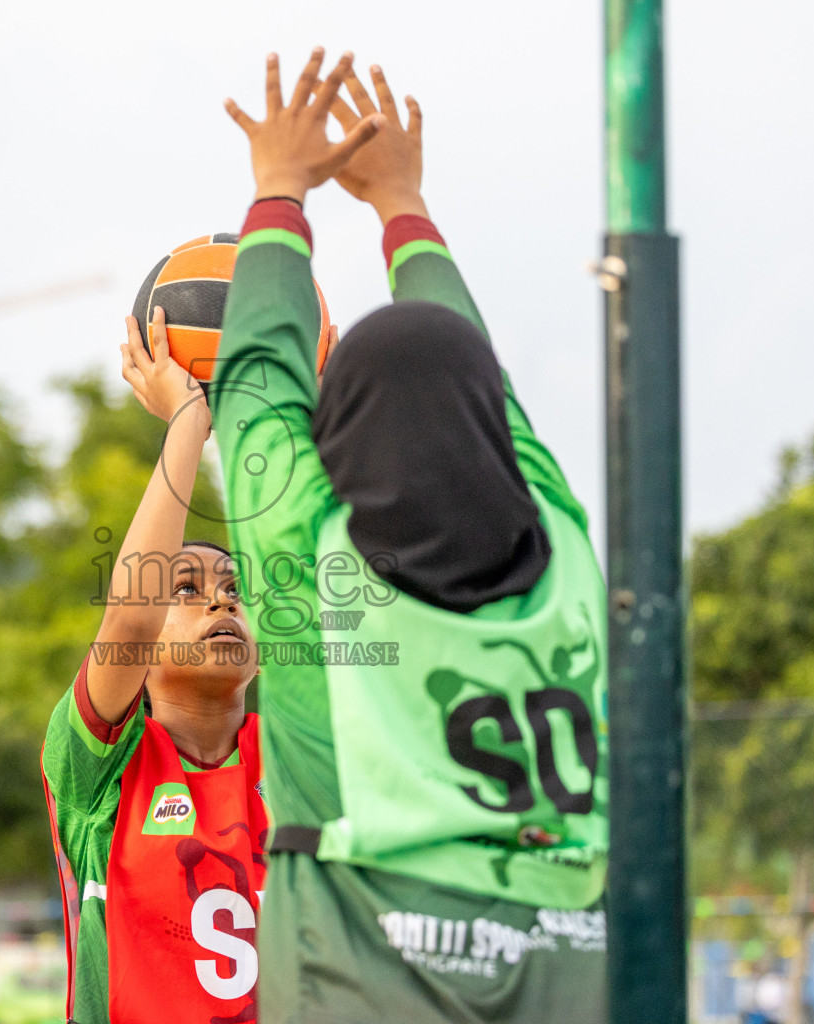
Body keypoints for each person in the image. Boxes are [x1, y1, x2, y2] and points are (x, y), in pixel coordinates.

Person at [214, 50, 610, 1023]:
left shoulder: (319, 562)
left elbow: (256, 382)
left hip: (367, 961)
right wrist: (401, 203)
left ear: (340, 435)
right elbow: (496, 405)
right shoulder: (566, 550)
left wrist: (277, 191)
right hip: (575, 960)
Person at [41, 308, 269, 1024]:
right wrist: (188, 424)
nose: (220, 603)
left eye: (235, 591)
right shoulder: (102, 769)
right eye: (188, 589)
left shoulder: (296, 759)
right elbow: (131, 618)